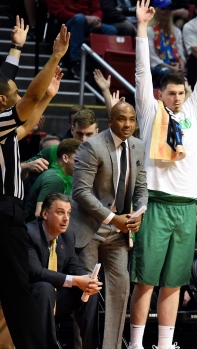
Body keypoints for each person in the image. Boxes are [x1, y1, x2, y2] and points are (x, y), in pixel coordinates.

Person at [129, 0, 197, 347]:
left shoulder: (192, 111)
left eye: (182, 93)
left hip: (185, 207)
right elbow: (141, 71)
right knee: (146, 281)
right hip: (155, 203)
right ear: (160, 94)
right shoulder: (149, 110)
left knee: (173, 283)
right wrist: (141, 29)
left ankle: (165, 343)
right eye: (172, 93)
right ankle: (137, 342)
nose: (178, 98)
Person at [0, 23, 69, 349]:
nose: (19, 98)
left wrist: (48, 97)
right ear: (2, 101)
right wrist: (55, 56)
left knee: (16, 289)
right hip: (3, 213)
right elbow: (28, 98)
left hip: (7, 212)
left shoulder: (6, 132)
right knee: (18, 290)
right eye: (11, 96)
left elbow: (25, 126)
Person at [68, 101, 148, 349]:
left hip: (119, 232)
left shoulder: (137, 146)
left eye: (132, 119)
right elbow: (80, 192)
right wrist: (113, 218)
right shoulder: (92, 146)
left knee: (120, 289)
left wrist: (140, 212)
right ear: (110, 121)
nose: (127, 124)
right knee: (87, 295)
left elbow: (142, 187)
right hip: (88, 228)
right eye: (122, 119)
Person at [26, 193, 102, 349]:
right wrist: (75, 280)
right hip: (29, 298)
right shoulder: (29, 233)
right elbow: (36, 273)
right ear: (45, 214)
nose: (66, 218)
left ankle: (91, 346)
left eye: (68, 213)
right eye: (60, 212)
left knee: (89, 290)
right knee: (44, 287)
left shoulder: (68, 236)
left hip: (55, 298)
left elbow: (74, 266)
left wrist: (87, 279)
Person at [46, 0, 118, 75]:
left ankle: (103, 64)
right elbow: (60, 13)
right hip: (66, 24)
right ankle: (76, 62)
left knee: (111, 30)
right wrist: (86, 18)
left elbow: (97, 9)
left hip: (89, 23)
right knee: (80, 19)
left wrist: (97, 19)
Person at [25, 138, 81, 221]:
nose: (81, 164)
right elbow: (39, 214)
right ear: (65, 158)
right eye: (78, 160)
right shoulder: (55, 180)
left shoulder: (57, 175)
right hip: (35, 231)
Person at [147, 0, 186, 88]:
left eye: (169, 9)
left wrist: (181, 67)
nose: (167, 12)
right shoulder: (149, 30)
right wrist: (172, 69)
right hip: (156, 67)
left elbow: (181, 55)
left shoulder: (176, 31)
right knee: (166, 72)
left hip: (174, 65)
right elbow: (152, 58)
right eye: (163, 9)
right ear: (156, 11)